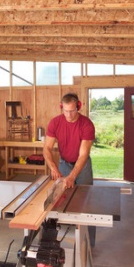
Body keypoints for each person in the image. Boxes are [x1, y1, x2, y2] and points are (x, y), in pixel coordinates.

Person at [43, 92, 97, 246]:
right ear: (61, 108)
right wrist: (53, 167)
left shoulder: (86, 124)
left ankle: (88, 244)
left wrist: (72, 176)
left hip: (83, 166)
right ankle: (63, 241)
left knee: (87, 204)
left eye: (72, 110)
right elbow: (46, 148)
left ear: (78, 107)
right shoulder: (55, 123)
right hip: (63, 164)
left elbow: (83, 155)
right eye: (65, 110)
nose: (69, 114)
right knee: (60, 202)